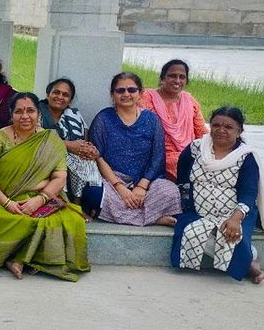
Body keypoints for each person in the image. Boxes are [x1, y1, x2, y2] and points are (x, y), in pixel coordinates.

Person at [0, 92, 90, 281]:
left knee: (66, 220)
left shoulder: (51, 140)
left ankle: (19, 259)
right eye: (18, 111)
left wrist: (40, 200)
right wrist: (7, 203)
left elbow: (60, 176)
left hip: (41, 196)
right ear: (11, 114)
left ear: (39, 113)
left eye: (30, 111)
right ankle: (17, 258)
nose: (24, 116)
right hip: (0, 198)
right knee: (0, 218)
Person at [170, 106, 264, 283]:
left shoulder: (246, 157)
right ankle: (247, 263)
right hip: (197, 211)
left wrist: (236, 219)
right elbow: (182, 178)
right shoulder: (195, 148)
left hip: (236, 212)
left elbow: (249, 192)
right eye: (216, 125)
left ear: (239, 131)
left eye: (228, 127)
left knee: (230, 235)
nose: (221, 130)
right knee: (190, 232)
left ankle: (250, 260)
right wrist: (186, 206)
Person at [87, 72, 181, 226]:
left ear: (140, 93)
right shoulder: (103, 118)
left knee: (169, 191)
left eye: (131, 90)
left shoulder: (151, 119)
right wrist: (120, 188)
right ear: (112, 95)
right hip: (112, 180)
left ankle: (132, 215)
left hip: (146, 181)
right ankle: (154, 218)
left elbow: (158, 156)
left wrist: (142, 187)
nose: (126, 94)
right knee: (94, 194)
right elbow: (98, 157)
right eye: (120, 90)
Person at [38, 77, 103, 213]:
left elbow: (84, 141)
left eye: (65, 95)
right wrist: (67, 145)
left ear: (70, 100)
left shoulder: (75, 115)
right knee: (62, 157)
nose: (60, 97)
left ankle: (77, 204)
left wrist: (89, 150)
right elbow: (34, 138)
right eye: (56, 92)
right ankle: (66, 203)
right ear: (48, 94)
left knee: (85, 159)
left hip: (72, 158)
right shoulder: (36, 111)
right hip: (42, 156)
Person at [139, 59, 208, 179]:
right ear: (162, 78)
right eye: (172, 76)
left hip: (188, 153)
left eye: (182, 77)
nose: (177, 81)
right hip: (157, 155)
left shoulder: (190, 101)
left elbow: (202, 133)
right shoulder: (146, 97)